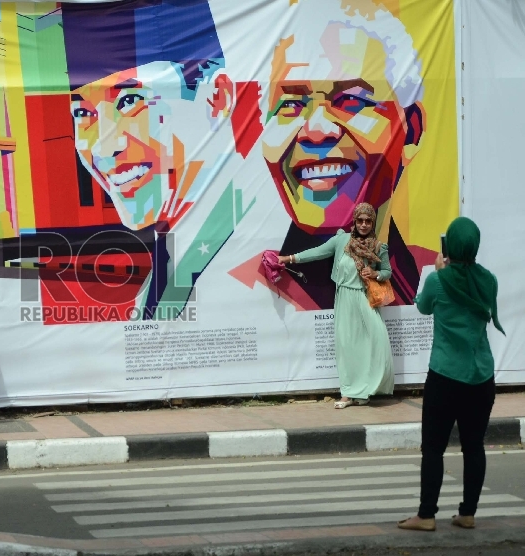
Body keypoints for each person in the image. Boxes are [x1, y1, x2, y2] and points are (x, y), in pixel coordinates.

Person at [59, 0, 253, 319]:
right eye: (82, 113)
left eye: (132, 101)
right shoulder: (170, 255)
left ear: (217, 98)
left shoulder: (257, 235)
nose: (105, 147)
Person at [252, 0, 437, 310]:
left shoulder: (426, 273)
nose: (316, 130)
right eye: (291, 105)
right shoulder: (249, 292)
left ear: (411, 132)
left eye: (351, 101)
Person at [398, 217, 504, 532]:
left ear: (451, 247)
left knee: (433, 447)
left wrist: (440, 272)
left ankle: (427, 515)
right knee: (474, 446)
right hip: (481, 377)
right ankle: (467, 513)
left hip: (445, 376)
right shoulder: (489, 280)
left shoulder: (437, 281)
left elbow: (423, 307)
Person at [278, 202, 394, 407]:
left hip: (366, 299)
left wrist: (376, 273)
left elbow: (387, 272)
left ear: (373, 223)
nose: (364, 225)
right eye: (360, 220)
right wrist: (288, 259)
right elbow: (317, 252)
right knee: (347, 346)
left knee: (376, 342)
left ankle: (365, 391)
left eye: (368, 221)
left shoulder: (378, 247)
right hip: (345, 298)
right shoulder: (342, 240)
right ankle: (348, 394)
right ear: (355, 221)